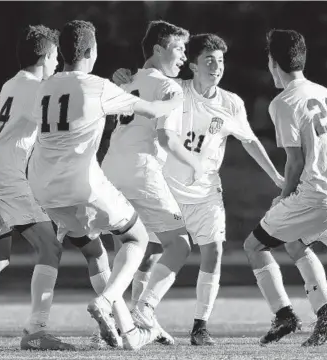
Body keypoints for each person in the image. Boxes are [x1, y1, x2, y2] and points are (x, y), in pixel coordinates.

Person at [113, 33, 284, 346]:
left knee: (213, 251)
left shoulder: (232, 103)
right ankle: (139, 318)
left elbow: (250, 141)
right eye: (209, 60)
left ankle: (199, 326)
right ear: (191, 65)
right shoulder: (176, 89)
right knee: (149, 253)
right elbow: (142, 84)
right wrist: (123, 77)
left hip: (205, 191)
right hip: (165, 186)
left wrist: (275, 176)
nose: (216, 66)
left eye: (220, 60)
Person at [27, 20, 183, 351]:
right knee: (135, 237)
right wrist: (174, 98)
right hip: (81, 184)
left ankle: (127, 332)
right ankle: (106, 301)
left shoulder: (44, 86)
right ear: (91, 51)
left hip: (43, 189)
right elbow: (153, 109)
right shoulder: (97, 86)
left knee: (95, 252)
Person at [242, 29, 327, 347]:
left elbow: (294, 161)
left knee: (254, 246)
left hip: (319, 195)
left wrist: (284, 195)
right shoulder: (325, 93)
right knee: (294, 243)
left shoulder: (284, 101)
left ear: (272, 62)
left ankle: (284, 316)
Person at [0, 25, 75, 351]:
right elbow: (55, 134)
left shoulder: (11, 84)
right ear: (45, 56)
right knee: (50, 246)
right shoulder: (37, 90)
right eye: (56, 56)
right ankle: (36, 331)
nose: (58, 62)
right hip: (4, 175)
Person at [102, 20, 202, 345]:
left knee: (139, 249)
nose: (184, 57)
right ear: (158, 49)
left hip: (110, 170)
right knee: (180, 244)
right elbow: (167, 139)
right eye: (179, 48)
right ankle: (145, 309)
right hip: (141, 170)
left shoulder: (128, 81)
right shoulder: (167, 88)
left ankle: (122, 326)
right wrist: (194, 163)